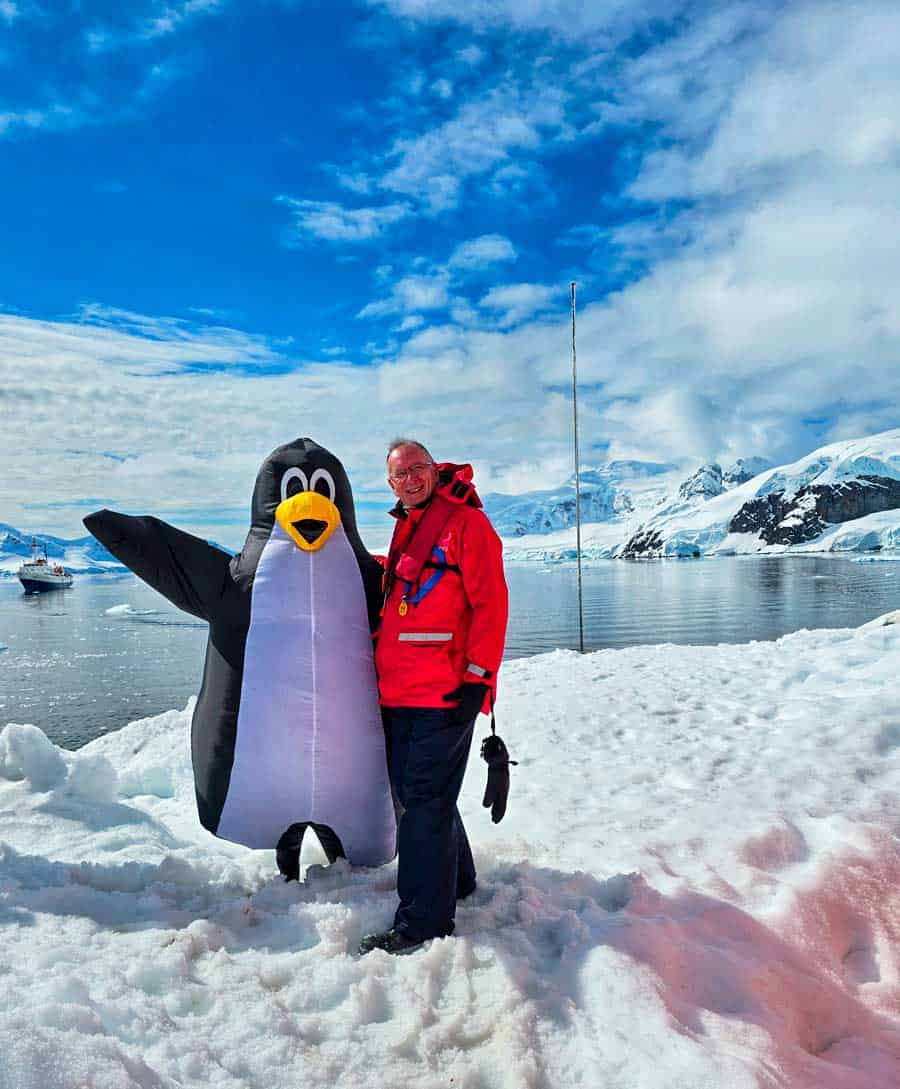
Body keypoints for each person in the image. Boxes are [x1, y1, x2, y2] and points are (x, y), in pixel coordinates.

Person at [359, 439, 509, 955]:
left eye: (418, 469)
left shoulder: (467, 526)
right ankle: (457, 880)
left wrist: (477, 680)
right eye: (399, 475)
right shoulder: (410, 525)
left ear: (434, 470)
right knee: (419, 796)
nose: (410, 479)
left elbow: (491, 605)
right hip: (399, 693)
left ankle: (423, 920)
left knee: (422, 803)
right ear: (391, 484)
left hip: (444, 693)